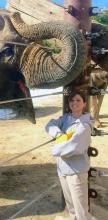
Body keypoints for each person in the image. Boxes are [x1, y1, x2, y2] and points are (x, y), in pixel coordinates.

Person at [45, 91, 95, 220]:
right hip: (63, 169)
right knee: (71, 207)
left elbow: (73, 147)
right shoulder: (66, 118)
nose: (74, 103)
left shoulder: (84, 125)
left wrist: (55, 149)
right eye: (72, 100)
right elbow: (50, 124)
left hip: (76, 172)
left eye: (78, 100)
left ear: (84, 104)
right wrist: (58, 134)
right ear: (69, 103)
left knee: (81, 211)